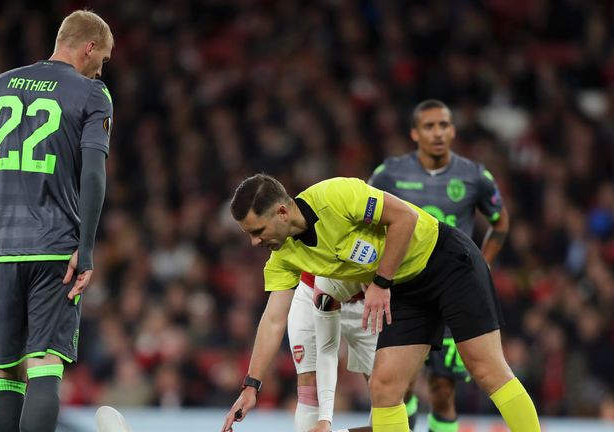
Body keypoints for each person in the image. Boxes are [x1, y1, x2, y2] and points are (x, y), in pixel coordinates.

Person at [220, 174, 540, 432]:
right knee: (385, 387)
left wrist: (381, 281)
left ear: (282, 211)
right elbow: (274, 319)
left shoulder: (335, 195)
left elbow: (405, 218)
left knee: (485, 368)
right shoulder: (283, 257)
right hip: (404, 288)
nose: (255, 241)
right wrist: (251, 386)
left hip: (446, 262)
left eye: (258, 231)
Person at [0, 9, 113, 432]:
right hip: (55, 248)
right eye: (104, 57)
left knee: (7, 373)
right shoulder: (92, 93)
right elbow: (94, 174)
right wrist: (85, 249)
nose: (104, 66)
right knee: (44, 367)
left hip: (0, 250)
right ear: (89, 46)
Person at [369, 99, 510, 432]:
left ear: (453, 131)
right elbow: (364, 218)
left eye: (443, 125)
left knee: (443, 391)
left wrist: (481, 264)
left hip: (453, 296)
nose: (437, 133)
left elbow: (499, 222)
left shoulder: (475, 176)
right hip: (406, 293)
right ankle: (409, 413)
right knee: (399, 387)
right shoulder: (389, 173)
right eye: (429, 126)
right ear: (415, 134)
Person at [288, 272, 374, 432]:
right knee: (309, 381)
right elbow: (327, 349)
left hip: (375, 298)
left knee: (387, 392)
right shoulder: (326, 282)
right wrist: (325, 420)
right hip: (320, 288)